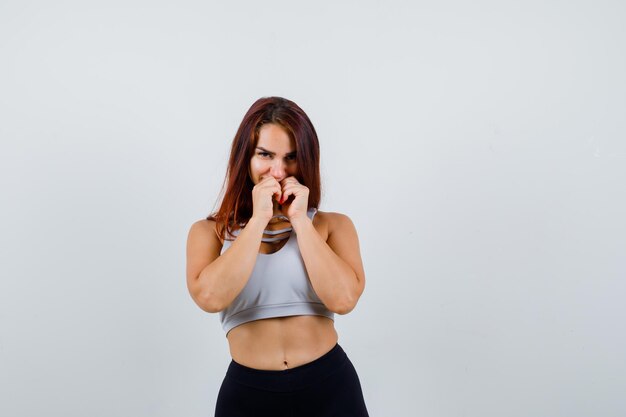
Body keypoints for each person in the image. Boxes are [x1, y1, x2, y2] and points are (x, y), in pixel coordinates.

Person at [185, 96, 370, 416]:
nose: (278, 170)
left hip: (330, 389)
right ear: (246, 157)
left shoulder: (331, 225)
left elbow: (344, 300)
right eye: (265, 155)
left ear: (306, 161)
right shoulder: (209, 232)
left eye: (291, 158)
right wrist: (257, 220)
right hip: (248, 395)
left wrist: (300, 220)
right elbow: (210, 297)